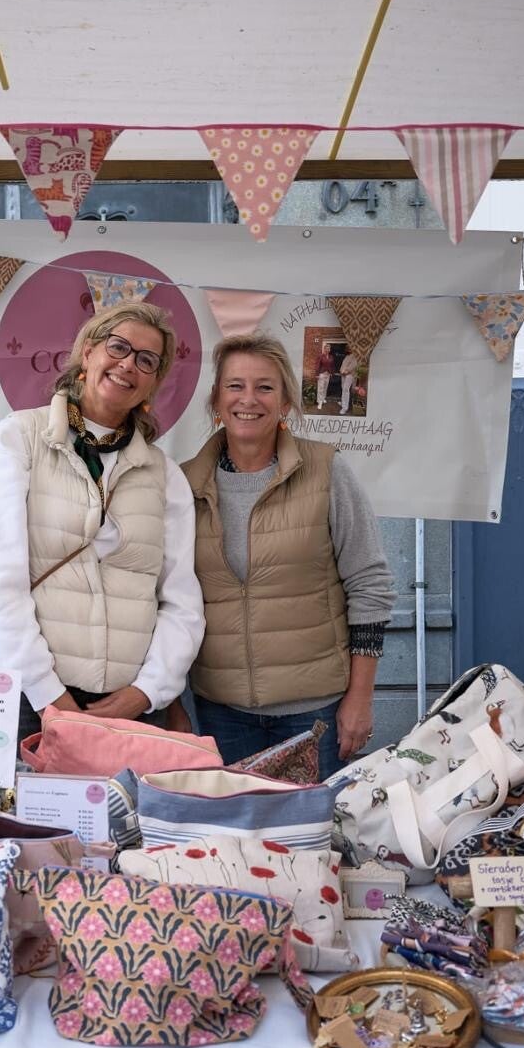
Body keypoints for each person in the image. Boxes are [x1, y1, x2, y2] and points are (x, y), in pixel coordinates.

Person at [0, 301, 205, 739]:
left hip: (129, 711)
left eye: (146, 360)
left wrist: (148, 691)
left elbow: (181, 600)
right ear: (88, 352)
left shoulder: (164, 475)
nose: (128, 364)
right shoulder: (19, 439)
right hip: (28, 702)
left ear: (153, 383)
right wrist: (48, 695)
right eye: (118, 347)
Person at [181, 332, 396, 778]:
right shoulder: (184, 485)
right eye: (235, 385)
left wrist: (361, 697)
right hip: (222, 712)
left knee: (315, 822)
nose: (248, 399)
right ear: (216, 399)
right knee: (238, 824)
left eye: (265, 387)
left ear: (284, 402)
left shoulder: (326, 470)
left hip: (314, 714)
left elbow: (369, 585)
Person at [339, 349, 360, 415]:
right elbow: (343, 365)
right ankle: (343, 403)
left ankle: (345, 408)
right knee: (343, 389)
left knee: (346, 390)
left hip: (349, 375)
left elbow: (353, 365)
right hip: (343, 375)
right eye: (348, 348)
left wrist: (346, 372)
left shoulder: (355, 356)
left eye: (351, 348)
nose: (349, 349)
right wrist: (341, 371)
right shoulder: (347, 356)